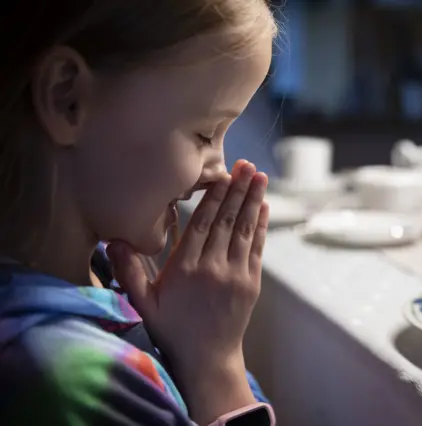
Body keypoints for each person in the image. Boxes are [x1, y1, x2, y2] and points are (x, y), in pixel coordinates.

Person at [0, 1, 277, 425]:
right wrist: (214, 365)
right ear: (67, 99)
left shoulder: (99, 269)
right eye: (204, 133)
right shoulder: (71, 378)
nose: (219, 171)